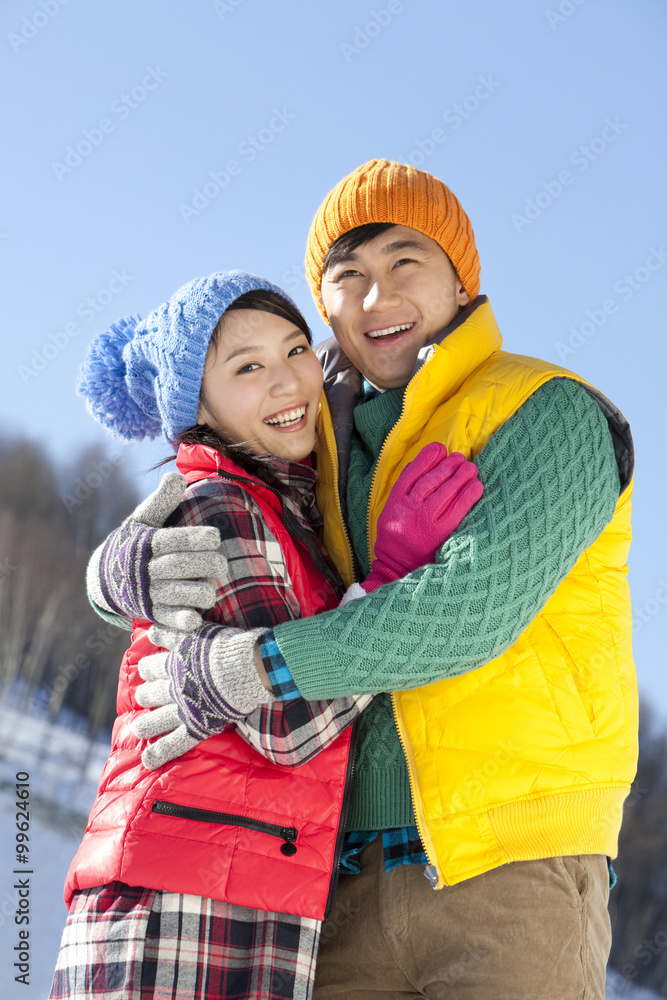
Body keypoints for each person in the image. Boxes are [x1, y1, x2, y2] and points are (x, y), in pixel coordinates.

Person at [89, 159, 637, 998]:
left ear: (462, 278)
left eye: (403, 263)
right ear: (326, 307)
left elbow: (467, 613)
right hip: (330, 889)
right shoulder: (311, 440)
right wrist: (118, 567)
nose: (377, 298)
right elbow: (216, 483)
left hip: (509, 870)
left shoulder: (545, 409)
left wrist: (252, 669)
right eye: (349, 277)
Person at [49, 269, 482, 1000]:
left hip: (242, 884)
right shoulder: (224, 504)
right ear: (200, 407)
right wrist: (389, 581)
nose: (286, 382)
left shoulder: (288, 513)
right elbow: (285, 719)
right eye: (247, 367)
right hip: (179, 899)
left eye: (294, 351)